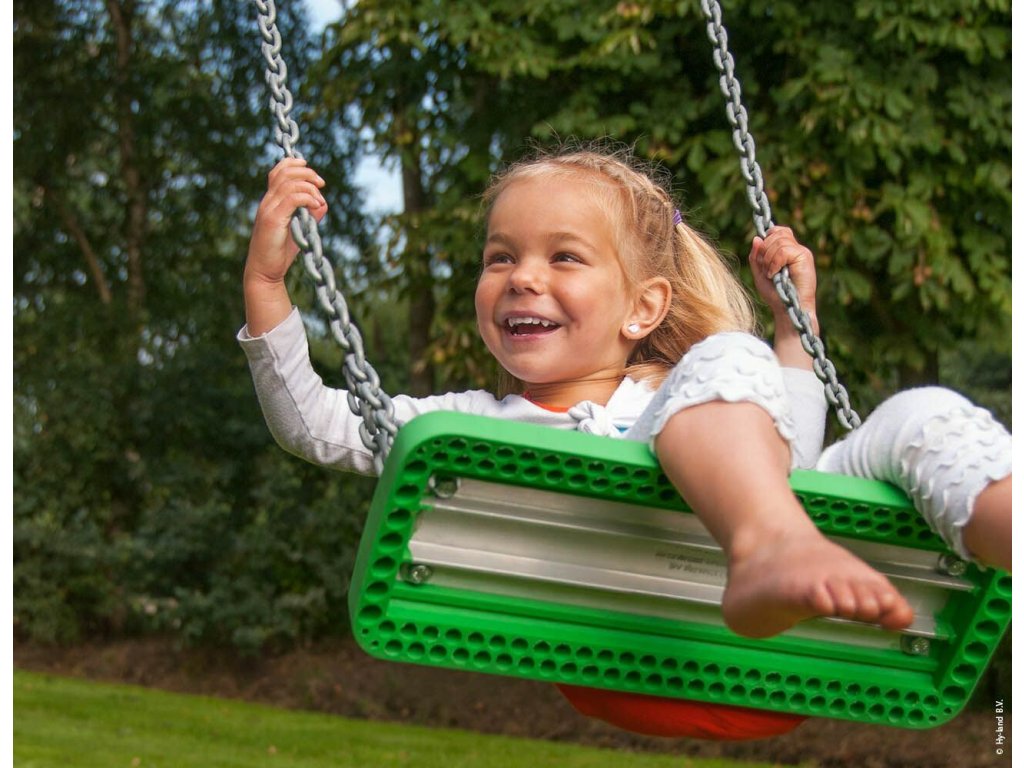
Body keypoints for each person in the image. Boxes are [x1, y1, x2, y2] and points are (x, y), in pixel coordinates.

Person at [239, 146, 1011, 738]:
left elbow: (795, 454)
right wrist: (267, 287)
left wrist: (793, 330)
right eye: (500, 256)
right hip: (641, 652)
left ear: (642, 308)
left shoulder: (694, 391)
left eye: (563, 256)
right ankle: (767, 545)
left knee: (922, 413)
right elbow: (316, 424)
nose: (521, 277)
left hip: (790, 652)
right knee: (729, 358)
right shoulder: (475, 421)